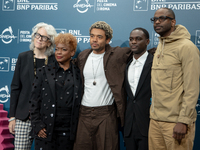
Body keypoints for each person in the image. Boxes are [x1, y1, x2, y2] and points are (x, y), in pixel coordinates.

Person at [73, 21, 132, 150]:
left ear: (108, 40)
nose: (94, 40)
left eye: (99, 37)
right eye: (92, 36)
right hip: (84, 113)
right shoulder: (83, 56)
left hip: (106, 114)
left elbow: (139, 51)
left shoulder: (117, 54)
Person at [149, 7, 199, 150]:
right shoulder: (160, 46)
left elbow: (192, 88)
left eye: (162, 18)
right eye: (154, 19)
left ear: (173, 22)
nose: (157, 22)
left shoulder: (187, 47)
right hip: (155, 120)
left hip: (176, 123)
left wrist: (183, 121)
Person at [8, 22, 57, 150]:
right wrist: (12, 117)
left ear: (49, 42)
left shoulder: (54, 61)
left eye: (44, 37)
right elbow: (15, 88)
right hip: (23, 117)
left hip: (45, 119)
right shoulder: (23, 57)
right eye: (37, 35)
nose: (39, 39)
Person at [30, 33, 82, 150]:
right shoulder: (43, 71)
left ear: (72, 53)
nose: (58, 52)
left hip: (69, 130)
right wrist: (37, 125)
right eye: (57, 49)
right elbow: (34, 100)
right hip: (46, 128)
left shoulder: (78, 73)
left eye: (64, 49)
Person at [124, 28, 153, 150]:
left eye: (138, 39)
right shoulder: (127, 64)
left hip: (149, 124)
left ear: (147, 41)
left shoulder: (155, 62)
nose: (133, 42)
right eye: (131, 39)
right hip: (129, 127)